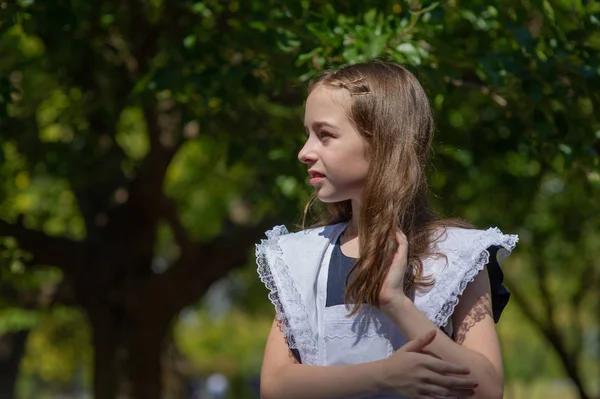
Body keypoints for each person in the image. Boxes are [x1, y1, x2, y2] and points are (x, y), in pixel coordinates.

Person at [256, 61, 517, 399]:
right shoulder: (302, 259)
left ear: (382, 141)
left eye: (325, 135)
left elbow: (486, 389)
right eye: (307, 135)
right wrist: (384, 376)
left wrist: (395, 303)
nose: (304, 152)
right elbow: (275, 385)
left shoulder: (457, 256)